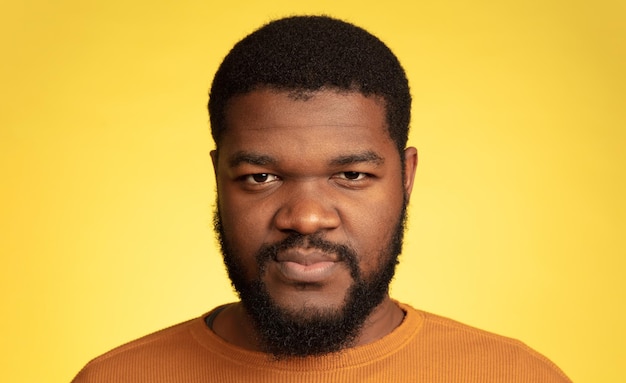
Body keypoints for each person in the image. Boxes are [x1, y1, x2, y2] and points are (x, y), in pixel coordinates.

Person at [72, 15, 571, 382]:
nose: (306, 217)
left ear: (407, 176)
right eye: (260, 177)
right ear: (219, 178)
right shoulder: (116, 378)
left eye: (351, 174)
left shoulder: (517, 376)